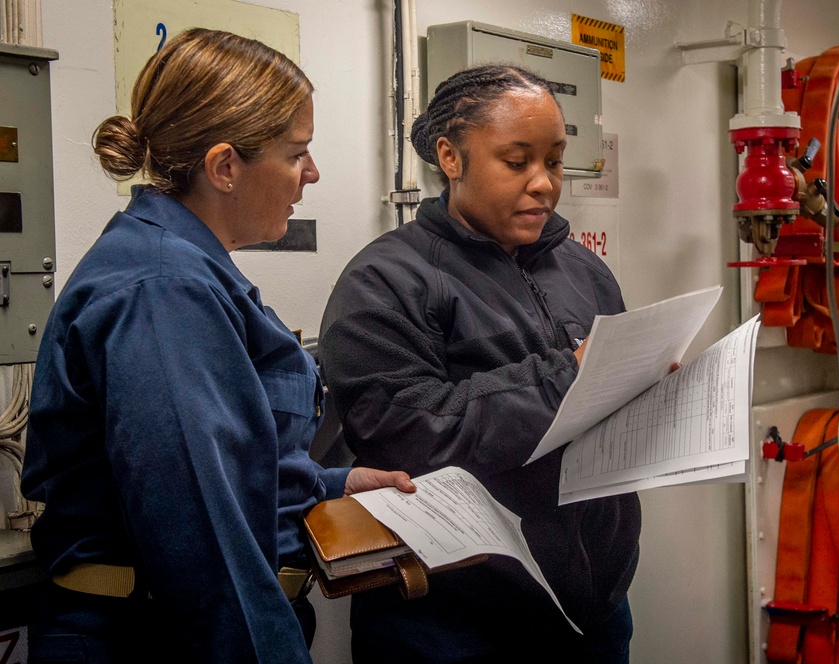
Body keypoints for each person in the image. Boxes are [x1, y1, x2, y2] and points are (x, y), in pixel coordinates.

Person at [21, 28, 414, 663]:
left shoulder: (183, 270)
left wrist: (331, 483)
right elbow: (204, 539)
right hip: (157, 638)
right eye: (296, 154)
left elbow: (230, 461)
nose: (311, 174)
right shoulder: (165, 291)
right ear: (225, 166)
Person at [318, 64, 640, 663]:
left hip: (593, 611)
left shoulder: (584, 271)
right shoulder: (385, 281)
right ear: (451, 156)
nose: (544, 183)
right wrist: (570, 375)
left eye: (555, 159)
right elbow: (408, 433)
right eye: (517, 162)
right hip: (452, 625)